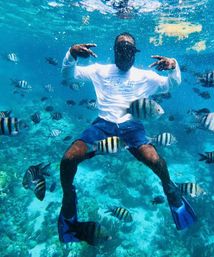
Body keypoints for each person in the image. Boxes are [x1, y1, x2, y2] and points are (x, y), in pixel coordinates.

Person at [58, 32, 197, 244]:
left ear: (135, 52)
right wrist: (71, 54)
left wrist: (173, 65)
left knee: (156, 161)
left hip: (132, 126)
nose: (125, 53)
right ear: (114, 51)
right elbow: (68, 76)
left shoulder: (146, 76)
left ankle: (170, 189)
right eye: (121, 48)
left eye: (129, 49)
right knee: (68, 159)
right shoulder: (99, 70)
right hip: (102, 125)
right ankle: (68, 198)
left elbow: (173, 84)